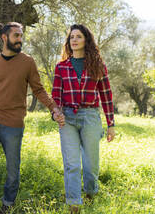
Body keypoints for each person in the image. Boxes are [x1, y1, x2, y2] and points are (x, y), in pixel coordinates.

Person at [0, 22, 65, 214]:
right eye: (16, 36)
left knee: (13, 169)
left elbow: (38, 89)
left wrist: (53, 108)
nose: (20, 39)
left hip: (14, 125)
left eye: (21, 36)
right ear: (5, 38)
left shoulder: (27, 62)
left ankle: (7, 206)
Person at [51, 24, 116, 213]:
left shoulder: (97, 65)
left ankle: (90, 192)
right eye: (71, 37)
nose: (74, 40)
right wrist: (56, 113)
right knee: (71, 163)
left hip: (90, 117)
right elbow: (56, 95)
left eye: (78, 36)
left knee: (90, 164)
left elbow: (106, 95)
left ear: (86, 40)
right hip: (68, 118)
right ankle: (74, 203)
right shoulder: (61, 67)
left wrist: (110, 124)